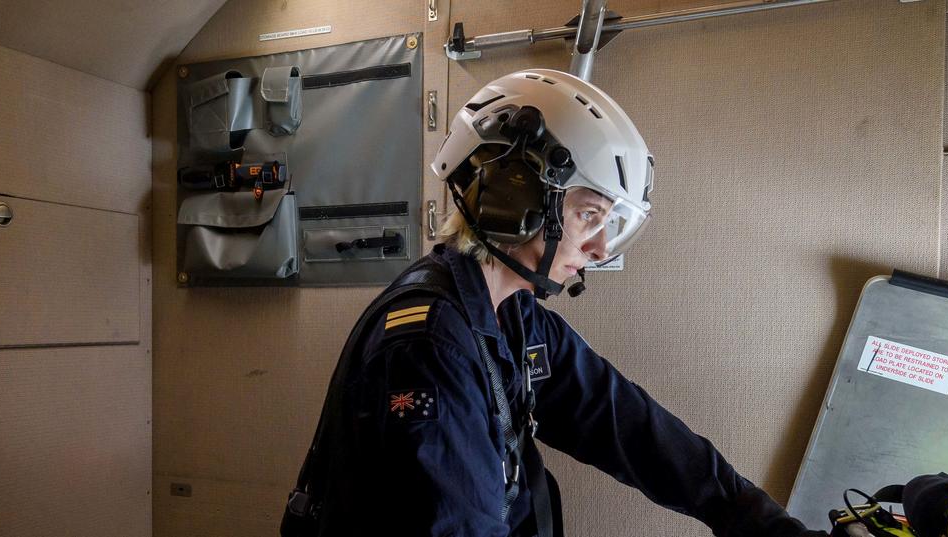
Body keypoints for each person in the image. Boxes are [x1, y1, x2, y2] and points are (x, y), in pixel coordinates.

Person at [282, 69, 822, 537]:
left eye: (609, 223)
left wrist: (753, 518)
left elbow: (627, 425)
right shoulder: (430, 346)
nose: (600, 247)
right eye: (590, 216)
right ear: (514, 195)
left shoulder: (514, 316)